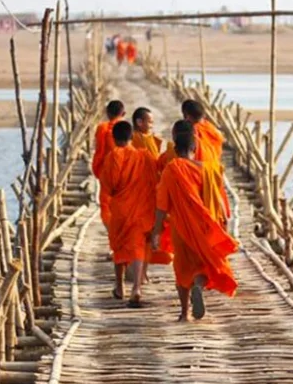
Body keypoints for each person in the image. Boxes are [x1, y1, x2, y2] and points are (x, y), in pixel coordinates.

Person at [152, 120, 238, 321]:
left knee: (182, 268)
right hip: (206, 226)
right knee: (203, 264)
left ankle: (184, 313)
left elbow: (162, 204)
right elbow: (219, 199)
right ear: (194, 148)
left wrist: (156, 230)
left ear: (175, 147)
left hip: (181, 226)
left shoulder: (172, 169)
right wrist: (223, 222)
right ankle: (199, 285)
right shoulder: (210, 169)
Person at [99, 121, 170, 305]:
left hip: (121, 209)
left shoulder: (113, 156)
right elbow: (156, 176)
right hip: (142, 209)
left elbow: (109, 185)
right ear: (131, 137)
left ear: (114, 138)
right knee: (138, 246)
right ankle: (136, 287)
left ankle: (119, 286)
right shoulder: (144, 156)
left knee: (118, 244)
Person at [92, 100, 125, 181]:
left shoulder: (102, 128)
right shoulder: (126, 128)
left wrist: (97, 169)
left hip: (106, 171)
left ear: (107, 113)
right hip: (124, 170)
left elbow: (100, 150)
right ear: (123, 114)